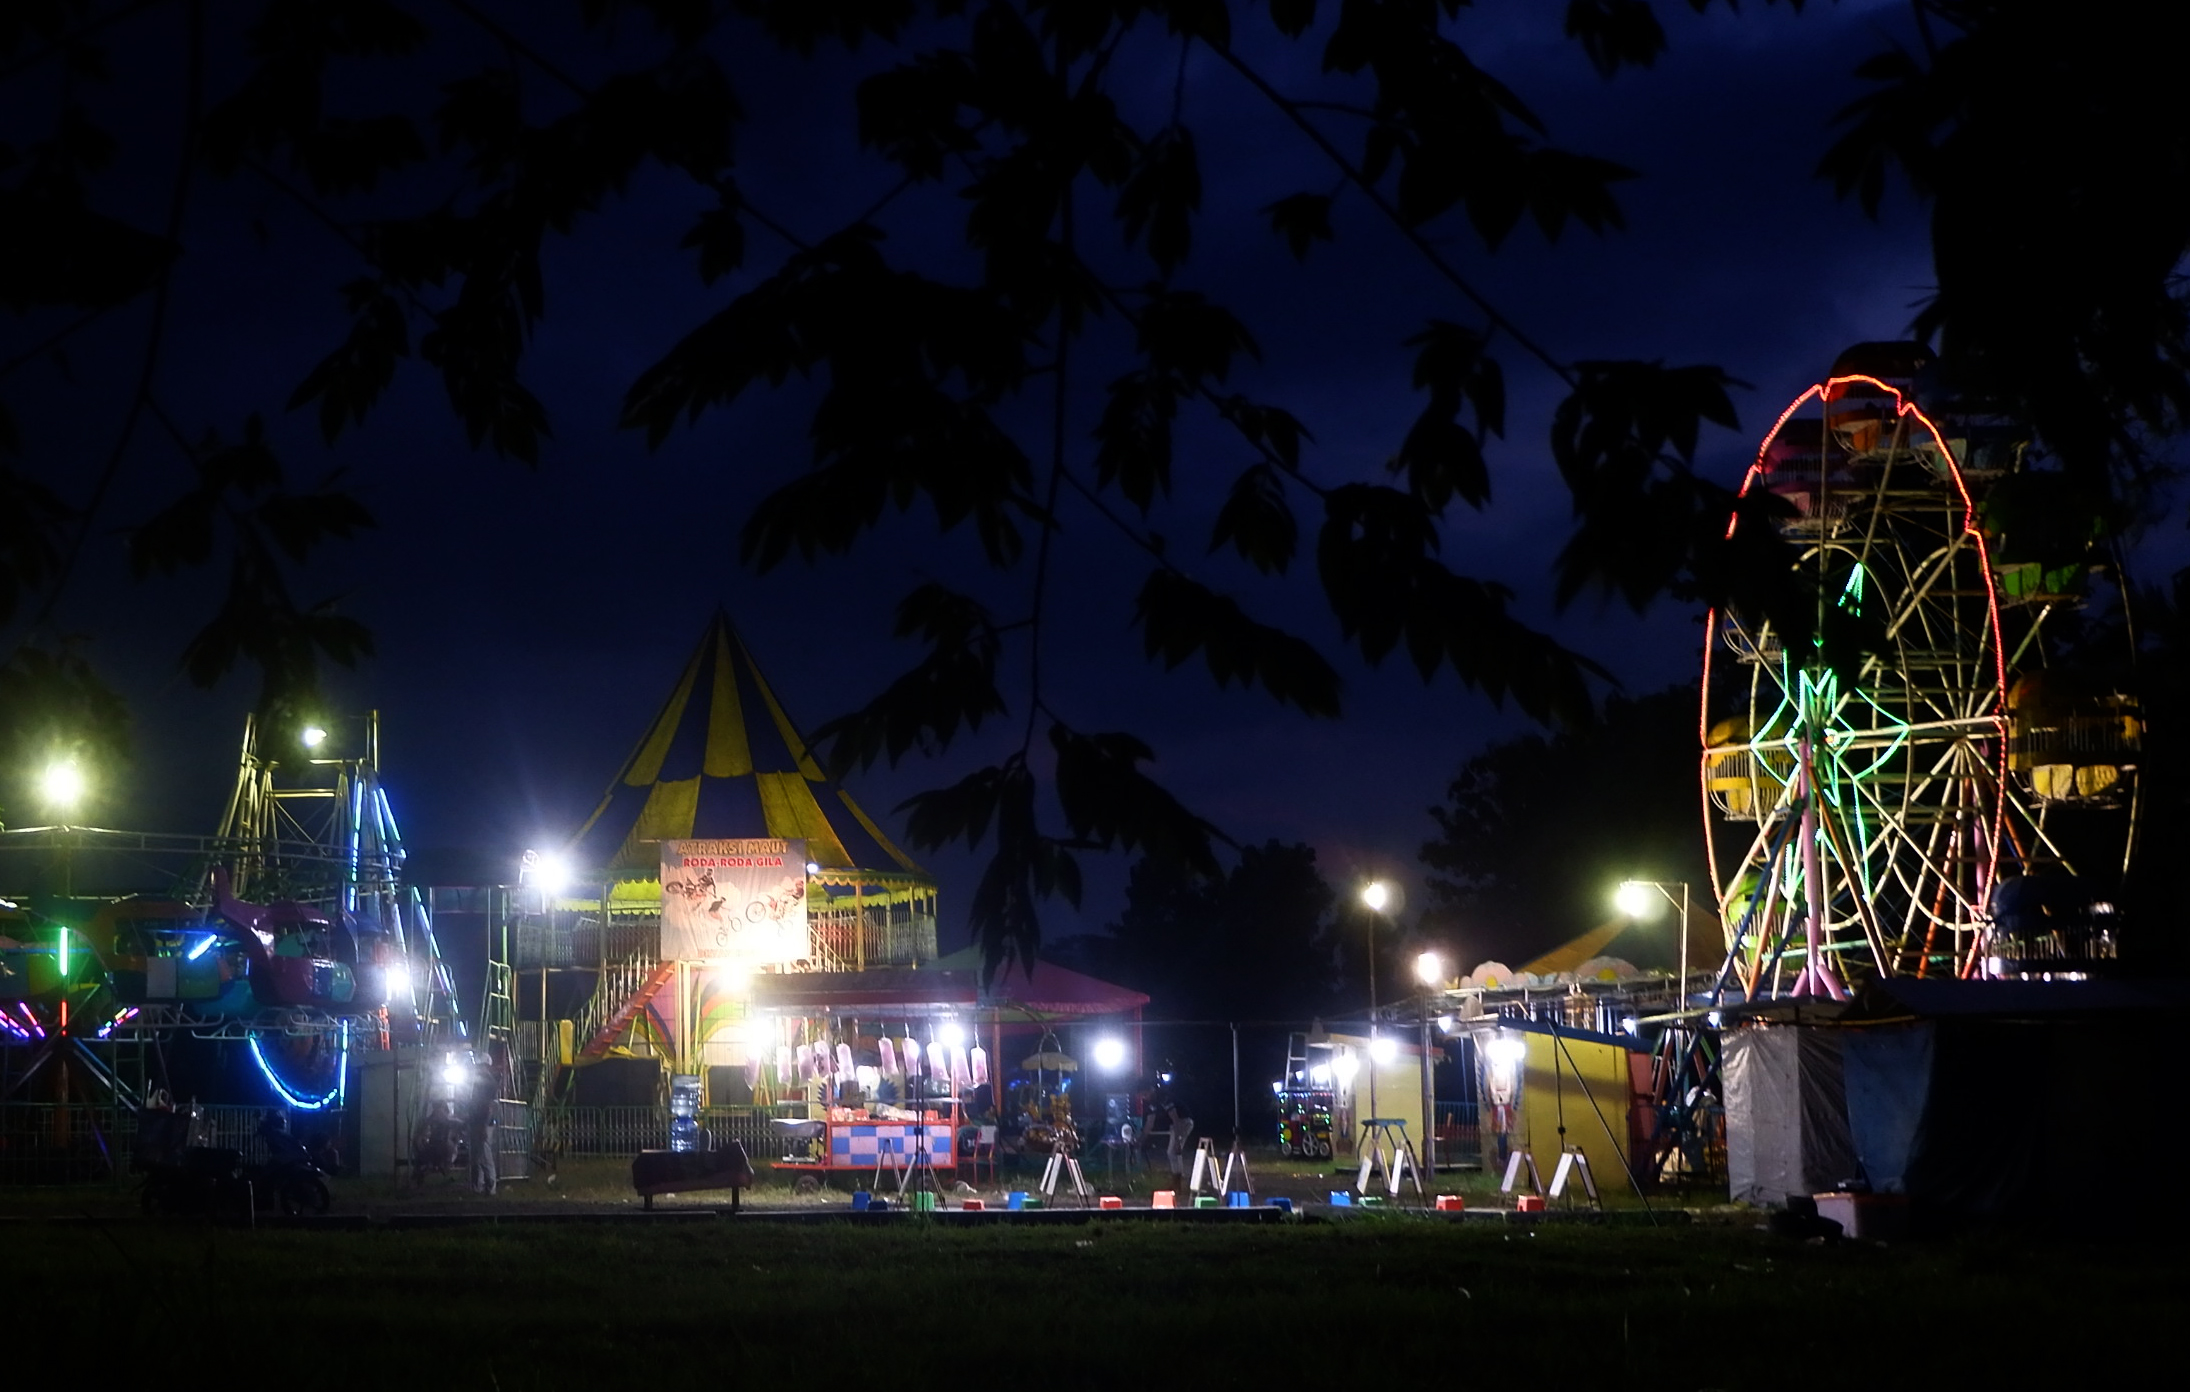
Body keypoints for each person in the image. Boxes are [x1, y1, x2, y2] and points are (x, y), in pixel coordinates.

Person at [1165, 1102, 1194, 1184]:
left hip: (1182, 1122)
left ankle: (1177, 1178)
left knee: (1172, 1152)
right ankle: (1178, 1176)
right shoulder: (1167, 1100)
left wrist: (1177, 1140)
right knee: (1175, 1152)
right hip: (1183, 1121)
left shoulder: (1165, 1100)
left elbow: (1176, 1120)